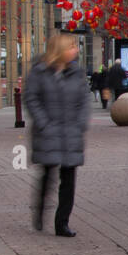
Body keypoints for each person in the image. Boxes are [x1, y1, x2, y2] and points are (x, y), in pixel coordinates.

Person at [26, 33, 91, 238]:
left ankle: (62, 223)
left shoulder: (77, 73)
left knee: (69, 179)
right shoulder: (40, 72)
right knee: (48, 175)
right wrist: (43, 123)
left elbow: (84, 101)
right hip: (49, 132)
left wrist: (80, 123)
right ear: (60, 49)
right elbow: (31, 98)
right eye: (72, 47)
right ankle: (40, 211)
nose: (76, 50)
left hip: (71, 132)